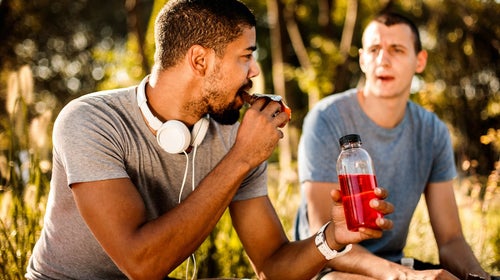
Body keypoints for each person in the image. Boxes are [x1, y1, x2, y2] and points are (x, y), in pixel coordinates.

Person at [25, 1, 395, 279]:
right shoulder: (89, 121)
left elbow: (271, 265)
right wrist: (240, 158)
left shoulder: (236, 133)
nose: (254, 72)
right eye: (245, 57)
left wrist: (332, 237)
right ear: (200, 60)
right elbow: (142, 263)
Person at [294, 11, 493, 280]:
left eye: (396, 50)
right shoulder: (326, 118)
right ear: (363, 59)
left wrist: (479, 277)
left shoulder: (432, 131)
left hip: (395, 266)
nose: (383, 60)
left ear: (419, 61)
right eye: (374, 50)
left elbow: (450, 240)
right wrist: (405, 277)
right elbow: (321, 234)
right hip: (331, 269)